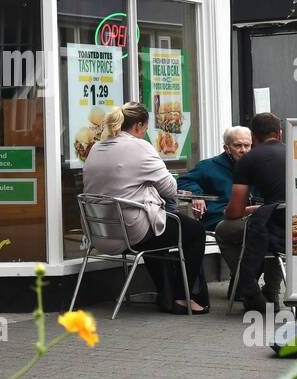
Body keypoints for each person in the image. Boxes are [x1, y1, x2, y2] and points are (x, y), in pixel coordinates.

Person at [82, 101, 209, 313]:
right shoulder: (140, 146)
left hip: (100, 233)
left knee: (161, 226)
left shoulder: (97, 146)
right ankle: (181, 297)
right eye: (145, 129)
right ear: (139, 126)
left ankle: (165, 292)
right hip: (132, 232)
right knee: (194, 232)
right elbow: (170, 188)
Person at [224, 112, 287, 311]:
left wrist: (252, 210)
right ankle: (273, 291)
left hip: (271, 225)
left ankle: (246, 284)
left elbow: (234, 211)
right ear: (280, 134)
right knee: (273, 233)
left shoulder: (248, 160)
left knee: (224, 229)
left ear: (254, 137)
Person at [178, 127, 255, 280]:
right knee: (253, 232)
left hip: (248, 215)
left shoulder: (255, 166)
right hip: (219, 217)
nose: (243, 150)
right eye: (238, 146)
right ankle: (244, 281)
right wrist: (197, 195)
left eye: (247, 145)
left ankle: (245, 281)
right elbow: (182, 181)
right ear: (226, 147)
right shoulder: (208, 166)